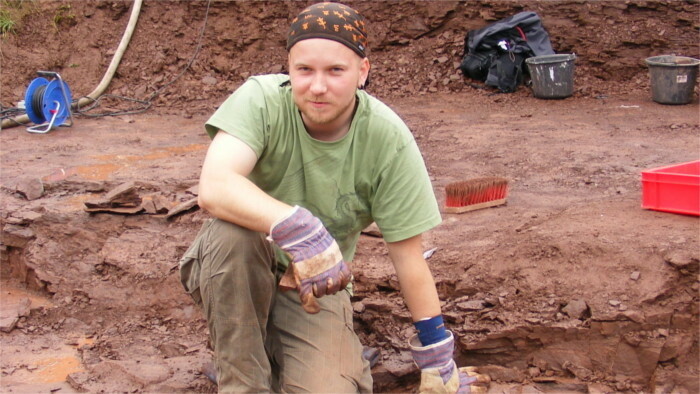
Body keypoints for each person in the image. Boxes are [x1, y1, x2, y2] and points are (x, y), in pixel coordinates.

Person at [179, 2, 489, 393]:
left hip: (315, 287)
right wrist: (299, 227)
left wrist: (437, 357)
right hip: (231, 271)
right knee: (234, 235)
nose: (318, 86)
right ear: (289, 69)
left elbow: (409, 256)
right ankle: (241, 379)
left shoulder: (387, 139)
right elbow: (215, 186)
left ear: (363, 72)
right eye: (304, 70)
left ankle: (275, 355)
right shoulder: (260, 99)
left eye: (336, 71)